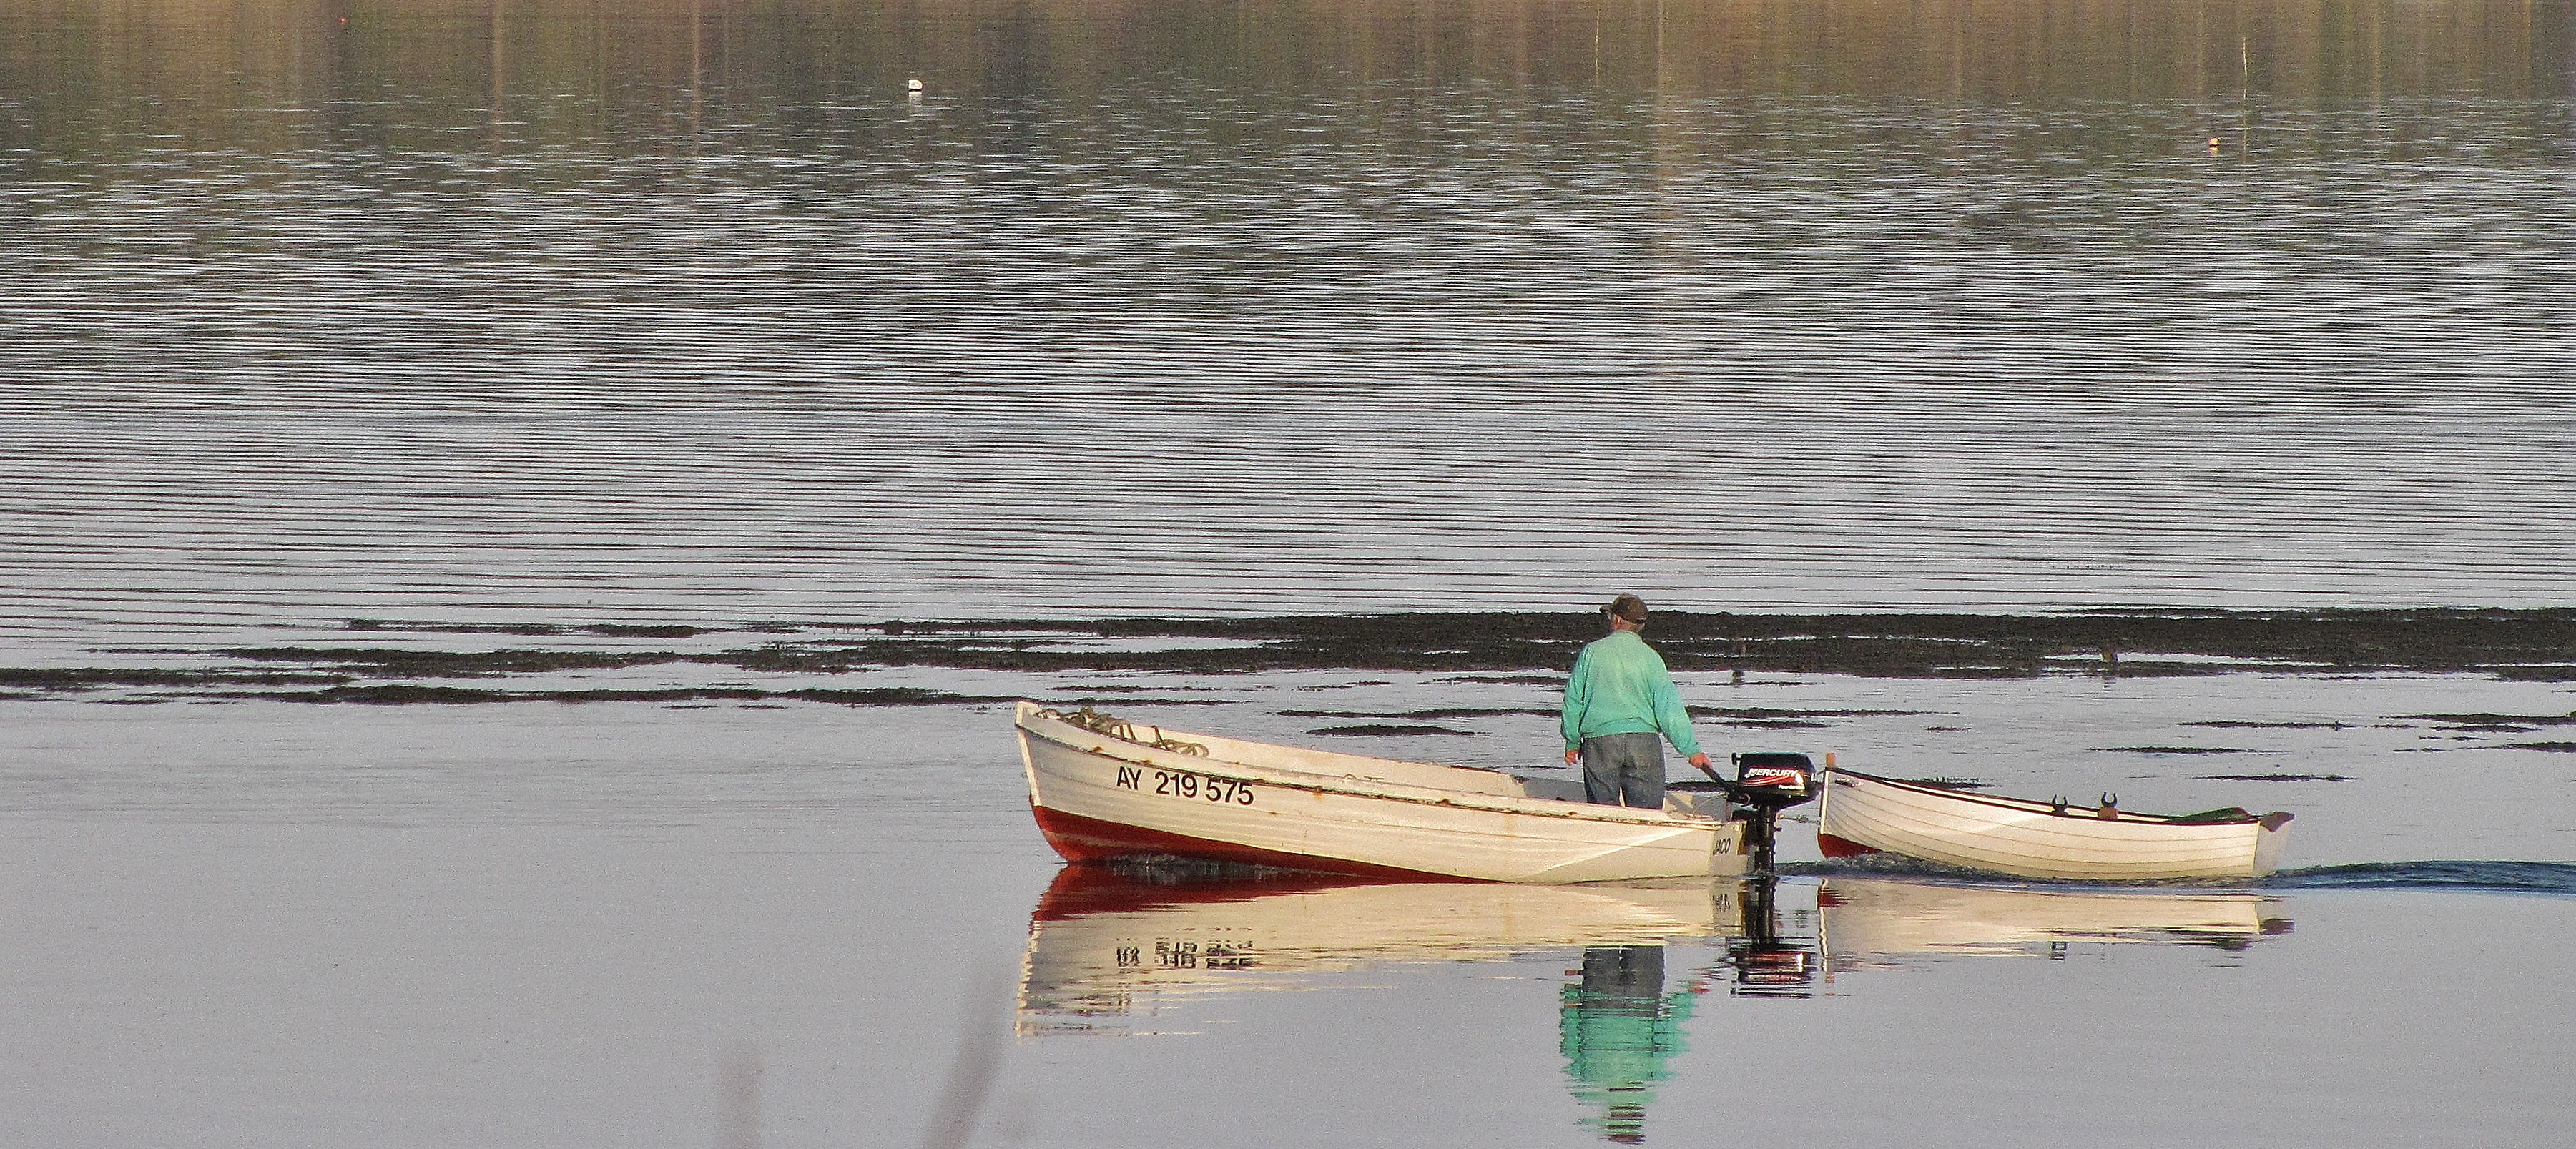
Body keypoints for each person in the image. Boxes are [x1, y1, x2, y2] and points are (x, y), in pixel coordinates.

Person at [1560, 594, 1711, 808]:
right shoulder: (1651, 658)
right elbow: (1669, 708)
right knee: (1646, 815)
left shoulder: (1591, 653)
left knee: (1603, 814)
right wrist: (1691, 751)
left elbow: (1573, 701)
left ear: (1617, 620)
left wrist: (1573, 742)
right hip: (1644, 743)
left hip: (1600, 743)